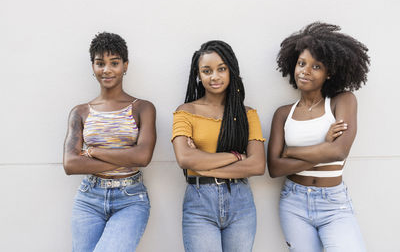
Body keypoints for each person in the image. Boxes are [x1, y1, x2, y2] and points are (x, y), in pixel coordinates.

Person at [267, 22, 370, 252]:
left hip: (334, 204)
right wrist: (323, 148)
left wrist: (291, 152)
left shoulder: (341, 101)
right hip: (294, 202)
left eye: (316, 66)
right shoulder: (284, 113)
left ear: (329, 73)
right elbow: (274, 167)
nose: (305, 70)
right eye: (302, 63)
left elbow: (339, 151)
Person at [63, 32, 156, 251]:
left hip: (130, 198)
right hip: (88, 199)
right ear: (92, 66)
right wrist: (127, 157)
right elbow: (71, 165)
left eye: (114, 63)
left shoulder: (142, 108)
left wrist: (94, 152)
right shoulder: (80, 112)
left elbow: (143, 157)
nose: (107, 70)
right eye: (100, 63)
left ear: (125, 65)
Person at [171, 40, 266, 252]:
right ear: (199, 75)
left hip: (241, 203)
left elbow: (258, 165)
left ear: (231, 70)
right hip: (199, 202)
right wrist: (236, 156)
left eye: (221, 69)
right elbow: (185, 159)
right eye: (207, 71)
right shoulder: (186, 111)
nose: (214, 76)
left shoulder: (247, 114)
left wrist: (202, 163)